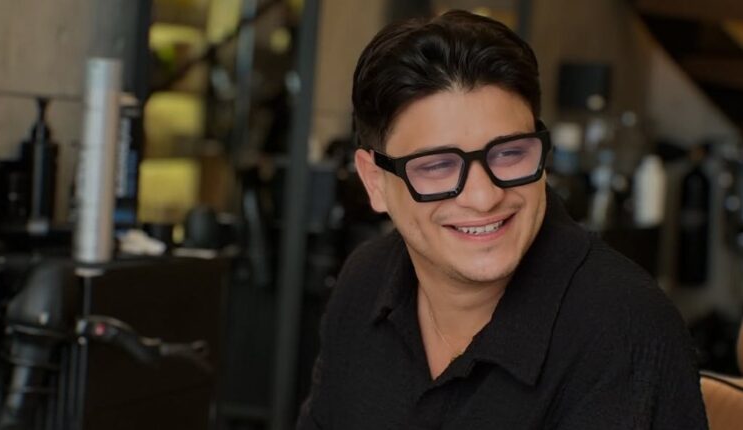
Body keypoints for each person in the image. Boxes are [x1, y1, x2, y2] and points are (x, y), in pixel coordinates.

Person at [297, 10, 708, 429]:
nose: (484, 197)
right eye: (438, 165)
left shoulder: (623, 329)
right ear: (375, 182)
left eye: (510, 154)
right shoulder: (365, 279)